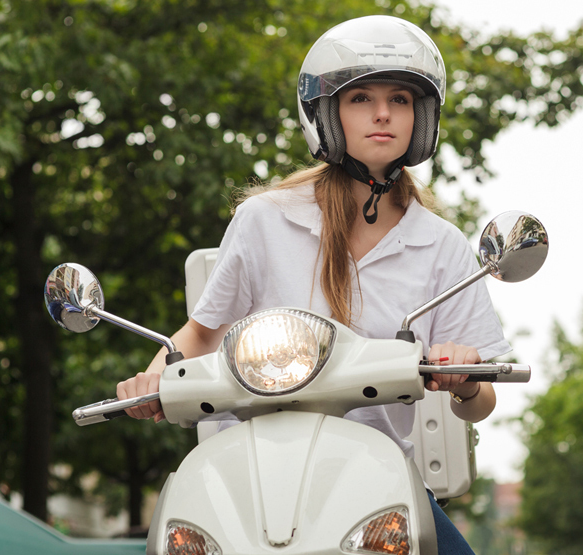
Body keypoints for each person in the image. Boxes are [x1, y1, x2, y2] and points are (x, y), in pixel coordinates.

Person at [117, 15, 510, 555]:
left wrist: (465, 378)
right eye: (360, 99)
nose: (381, 113)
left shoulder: (441, 245)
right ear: (326, 113)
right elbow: (203, 334)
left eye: (400, 99)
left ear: (421, 117)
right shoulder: (265, 219)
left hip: (375, 485)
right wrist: (151, 378)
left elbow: (480, 402)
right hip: (244, 475)